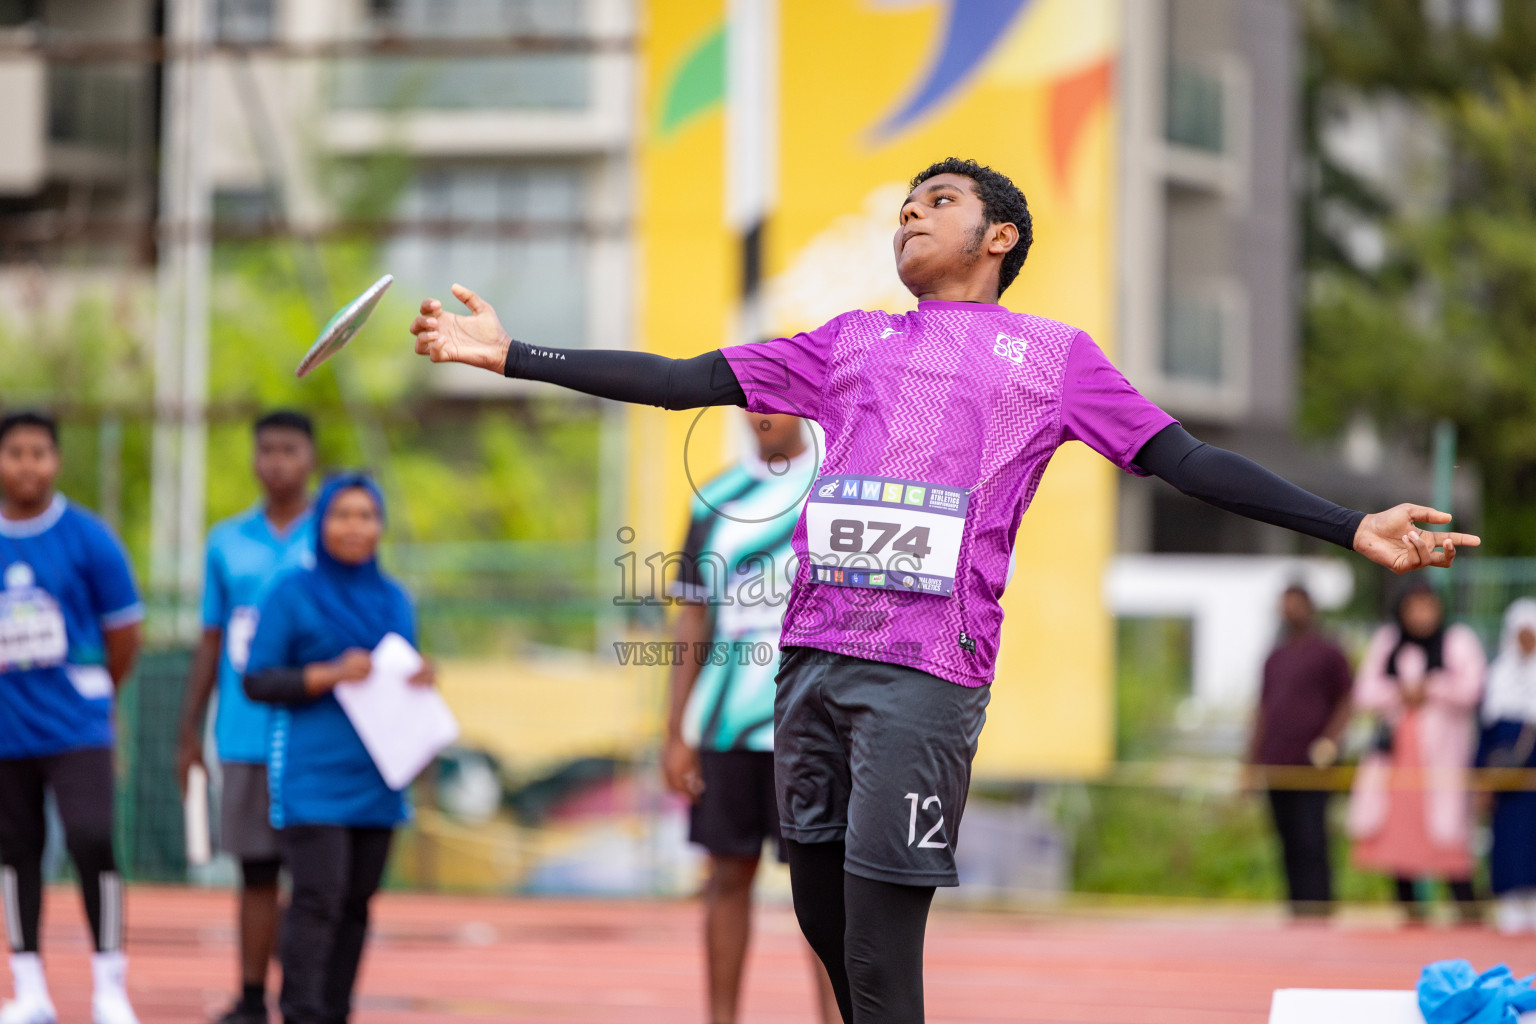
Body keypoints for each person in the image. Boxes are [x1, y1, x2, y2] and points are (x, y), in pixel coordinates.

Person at [408, 156, 1477, 1023]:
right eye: (904, 206)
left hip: (925, 674)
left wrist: (1349, 525)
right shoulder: (851, 340)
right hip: (810, 663)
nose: (909, 217)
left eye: (938, 203)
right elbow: (686, 379)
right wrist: (516, 356)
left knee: (879, 953)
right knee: (826, 928)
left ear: (998, 235)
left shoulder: (1054, 358)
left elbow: (1189, 463)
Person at [665, 410, 839, 1024]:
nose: (765, 410)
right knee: (726, 877)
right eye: (752, 399)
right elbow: (692, 619)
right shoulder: (713, 500)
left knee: (824, 891)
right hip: (727, 728)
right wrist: (676, 734)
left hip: (815, 727)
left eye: (779, 395)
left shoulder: (835, 487)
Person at [242, 474, 433, 1024]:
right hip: (313, 778)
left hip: (379, 777)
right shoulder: (291, 593)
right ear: (321, 524)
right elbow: (258, 679)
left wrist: (423, 677)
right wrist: (328, 674)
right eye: (341, 515)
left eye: (366, 516)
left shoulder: (395, 598)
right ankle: (300, 1012)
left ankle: (335, 1011)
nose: (355, 527)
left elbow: (400, 670)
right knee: (317, 898)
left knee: (356, 904)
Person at [0, 411, 144, 1024]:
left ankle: (109, 984)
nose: (27, 464)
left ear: (56, 460)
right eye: (14, 452)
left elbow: (126, 631)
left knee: (91, 838)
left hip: (78, 726)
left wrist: (96, 690)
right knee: (16, 851)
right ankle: (28, 985)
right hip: (7, 727)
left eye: (39, 452)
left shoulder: (87, 536)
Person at [175, 410, 317, 1024]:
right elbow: (210, 640)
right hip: (245, 733)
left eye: (289, 449)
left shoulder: (335, 532)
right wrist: (188, 732)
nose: (277, 462)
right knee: (256, 872)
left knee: (315, 881)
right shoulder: (226, 541)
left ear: (310, 457)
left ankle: (309, 999)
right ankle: (253, 999)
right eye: (266, 450)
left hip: (316, 734)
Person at [1348, 582, 1485, 925]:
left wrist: (1433, 688)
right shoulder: (1388, 641)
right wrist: (1401, 692)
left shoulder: (1458, 641)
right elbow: (1364, 692)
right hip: (1396, 760)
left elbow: (1472, 689)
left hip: (1441, 759)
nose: (1421, 615)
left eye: (1428, 606)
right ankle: (1410, 916)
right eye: (1414, 607)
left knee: (1449, 843)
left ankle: (1469, 917)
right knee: (1399, 840)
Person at [1246, 584, 1354, 918]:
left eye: (1296, 603)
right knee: (1287, 840)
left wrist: (1330, 740)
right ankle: (1295, 909)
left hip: (1313, 766)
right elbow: (1263, 709)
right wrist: (1251, 761)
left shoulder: (1329, 652)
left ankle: (1319, 909)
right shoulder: (1274, 657)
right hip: (1277, 763)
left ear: (1310, 607)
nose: (1290, 609)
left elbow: (1346, 700)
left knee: (1313, 840)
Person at [1476, 598, 1536, 933]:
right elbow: (1485, 737)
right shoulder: (1498, 676)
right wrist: (1483, 781)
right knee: (1509, 846)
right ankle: (1510, 910)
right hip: (1508, 787)